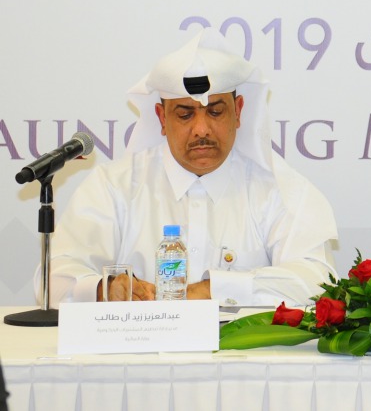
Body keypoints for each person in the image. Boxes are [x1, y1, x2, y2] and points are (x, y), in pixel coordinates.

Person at [41, 29, 338, 307]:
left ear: (238, 112)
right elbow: (52, 280)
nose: (201, 129)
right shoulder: (113, 186)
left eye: (215, 111)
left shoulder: (281, 190)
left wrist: (216, 290)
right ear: (161, 118)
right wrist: (104, 288)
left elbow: (318, 280)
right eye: (185, 115)